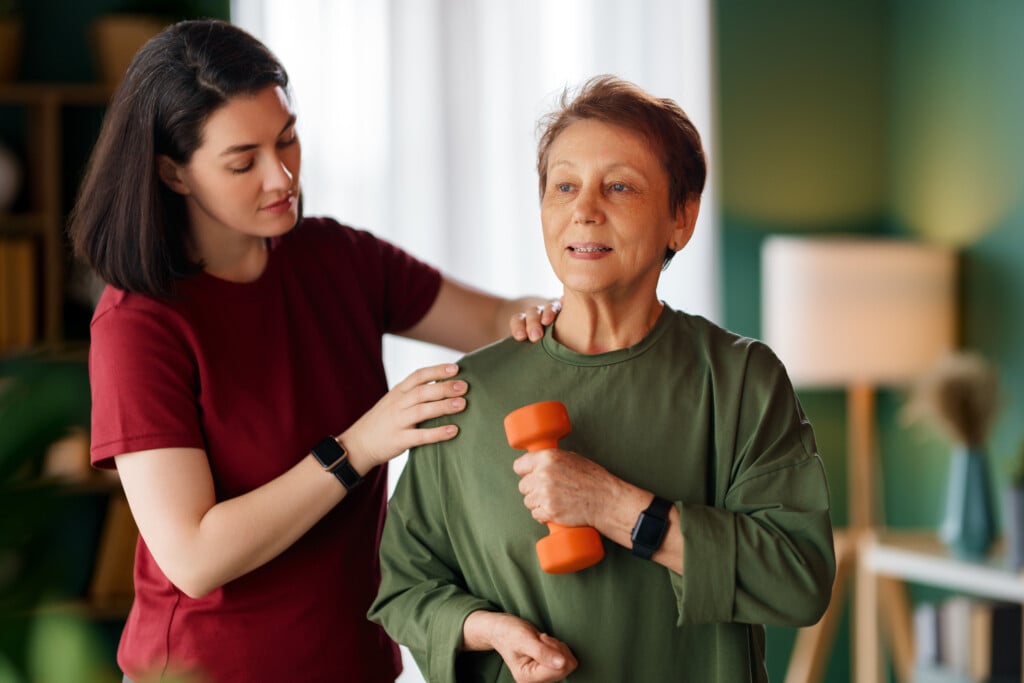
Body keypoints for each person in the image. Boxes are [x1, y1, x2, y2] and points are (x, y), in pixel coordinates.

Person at [68, 19, 560, 683]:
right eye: (243, 162)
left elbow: (496, 318)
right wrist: (359, 446)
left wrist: (577, 302)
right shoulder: (139, 323)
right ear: (172, 172)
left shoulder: (338, 258)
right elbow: (193, 556)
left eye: (287, 139)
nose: (282, 177)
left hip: (355, 664)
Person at [369, 75, 836, 682]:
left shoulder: (740, 379)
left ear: (681, 219)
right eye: (564, 186)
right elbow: (403, 588)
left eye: (619, 186)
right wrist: (485, 628)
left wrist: (617, 508)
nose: (584, 210)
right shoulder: (465, 395)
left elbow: (798, 579)